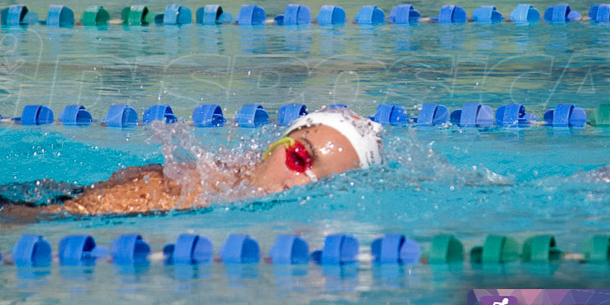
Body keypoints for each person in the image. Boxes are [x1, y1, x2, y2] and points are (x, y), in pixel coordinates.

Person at [39, 106, 384, 216]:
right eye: (299, 158)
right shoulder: (178, 188)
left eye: (323, 184)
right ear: (276, 144)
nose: (297, 184)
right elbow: (32, 218)